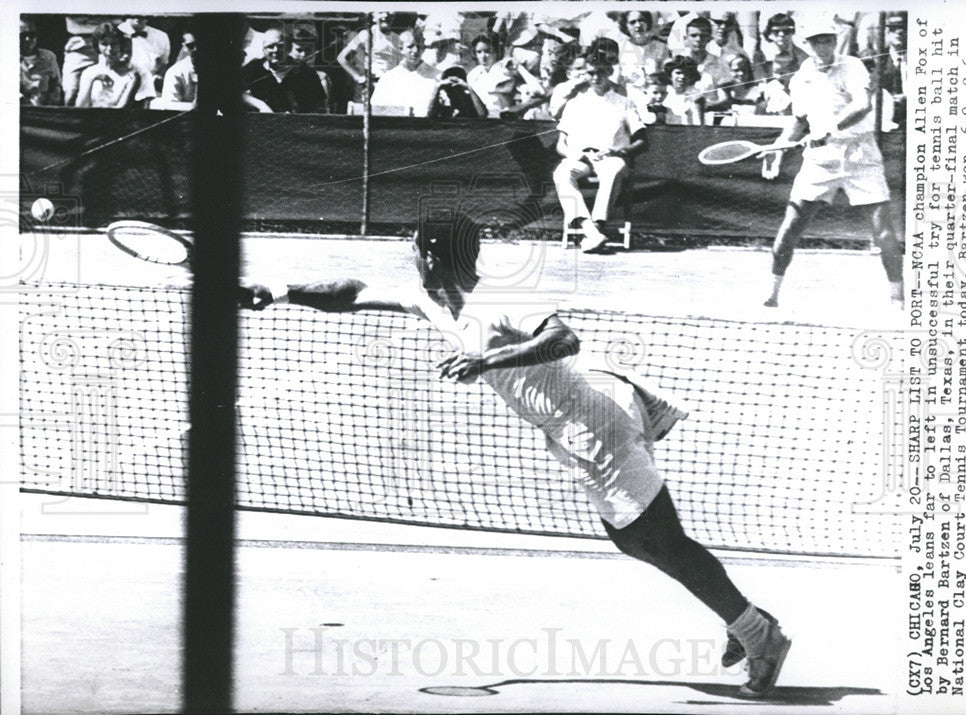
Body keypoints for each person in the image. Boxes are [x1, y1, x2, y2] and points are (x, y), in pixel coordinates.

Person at [237, 212, 793, 700]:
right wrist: (280, 291)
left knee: (656, 538)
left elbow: (563, 338)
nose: (409, 257)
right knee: (635, 537)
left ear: (431, 254)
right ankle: (743, 618)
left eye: (413, 247)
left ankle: (756, 631)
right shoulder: (431, 300)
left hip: (593, 420)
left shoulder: (500, 299)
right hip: (576, 423)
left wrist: (487, 362)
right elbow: (352, 293)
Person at [759, 20, 904, 309]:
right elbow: (799, 120)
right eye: (816, 41)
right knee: (790, 227)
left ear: (834, 40)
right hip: (820, 161)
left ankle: (897, 298)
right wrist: (778, 147)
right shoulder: (801, 78)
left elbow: (863, 104)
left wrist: (829, 130)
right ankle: (772, 294)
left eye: (827, 39)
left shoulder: (852, 66)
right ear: (806, 44)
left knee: (883, 229)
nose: (823, 46)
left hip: (860, 155)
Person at [554, 42, 647, 254]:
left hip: (611, 157)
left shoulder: (624, 102)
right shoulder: (574, 103)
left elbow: (642, 141)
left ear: (609, 71)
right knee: (561, 173)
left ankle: (598, 225)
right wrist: (574, 154)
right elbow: (561, 144)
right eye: (591, 73)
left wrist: (619, 152)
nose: (596, 78)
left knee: (614, 169)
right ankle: (590, 231)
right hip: (579, 157)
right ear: (585, 74)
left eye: (601, 72)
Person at [241, 27, 327, 113]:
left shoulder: (306, 72)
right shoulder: (254, 68)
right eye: (270, 47)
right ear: (263, 49)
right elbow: (234, 92)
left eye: (280, 46)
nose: (275, 50)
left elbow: (319, 107)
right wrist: (260, 105)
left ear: (289, 48)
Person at [75, 23, 157, 109]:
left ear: (121, 45)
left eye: (114, 44)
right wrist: (92, 81)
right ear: (97, 46)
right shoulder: (90, 73)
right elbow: (80, 108)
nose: (109, 49)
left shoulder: (139, 72)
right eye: (104, 44)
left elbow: (146, 106)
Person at [369, 29, 439, 117]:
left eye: (419, 46)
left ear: (424, 49)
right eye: (410, 46)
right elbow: (377, 110)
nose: (415, 51)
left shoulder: (436, 77)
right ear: (401, 49)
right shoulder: (388, 79)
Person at [337, 11, 401, 102]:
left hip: (391, 86)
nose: (385, 15)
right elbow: (342, 58)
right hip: (371, 84)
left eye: (389, 12)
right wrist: (358, 77)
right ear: (374, 16)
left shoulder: (398, 38)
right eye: (381, 12)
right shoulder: (366, 34)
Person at [616, 10, 671, 105]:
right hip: (629, 100)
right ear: (626, 26)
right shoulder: (619, 49)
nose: (638, 25)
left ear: (648, 23)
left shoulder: (661, 47)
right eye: (632, 22)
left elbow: (667, 77)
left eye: (641, 20)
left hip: (657, 100)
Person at [676, 16, 730, 110]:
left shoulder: (719, 63)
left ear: (709, 38)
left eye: (703, 36)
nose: (698, 39)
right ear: (686, 38)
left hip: (711, 113)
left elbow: (724, 98)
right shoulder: (677, 62)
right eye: (693, 35)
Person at [466, 32, 518, 118]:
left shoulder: (504, 69)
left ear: (496, 52)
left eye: (487, 51)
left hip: (506, 117)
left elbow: (492, 87)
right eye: (479, 52)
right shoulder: (474, 74)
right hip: (487, 119)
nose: (483, 56)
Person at [117, 17, 171, 91]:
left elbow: (163, 64)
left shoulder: (161, 36)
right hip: (120, 86)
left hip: (149, 89)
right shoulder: (116, 31)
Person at [20, 18, 62, 106]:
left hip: (43, 110)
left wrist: (53, 100)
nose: (27, 39)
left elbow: (56, 85)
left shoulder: (49, 57)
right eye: (22, 35)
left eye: (31, 35)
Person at [657, 56, 705, 125]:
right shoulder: (663, 94)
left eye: (686, 73)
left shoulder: (696, 97)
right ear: (670, 76)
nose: (682, 76)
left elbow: (698, 125)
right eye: (678, 73)